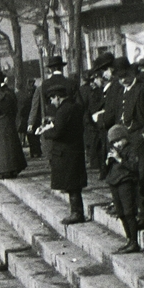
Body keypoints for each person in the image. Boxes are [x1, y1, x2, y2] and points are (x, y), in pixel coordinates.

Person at [40, 73, 88, 223]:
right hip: (74, 149)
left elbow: (57, 132)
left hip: (67, 152)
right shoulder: (75, 107)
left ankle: (77, 213)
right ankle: (76, 212)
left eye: (52, 99)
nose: (51, 102)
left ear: (58, 97)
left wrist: (45, 132)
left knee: (71, 184)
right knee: (73, 184)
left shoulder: (63, 110)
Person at [120, 59, 144, 230]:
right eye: (119, 77)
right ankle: (134, 213)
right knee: (130, 179)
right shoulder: (122, 91)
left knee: (143, 177)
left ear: (132, 72)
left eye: (125, 76)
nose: (123, 80)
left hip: (140, 140)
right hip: (126, 140)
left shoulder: (142, 88)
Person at [103, 125, 144, 253]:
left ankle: (134, 241)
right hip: (114, 182)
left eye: (119, 140)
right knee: (120, 213)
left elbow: (134, 166)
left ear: (125, 137)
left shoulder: (131, 149)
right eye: (114, 142)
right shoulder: (114, 150)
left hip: (126, 182)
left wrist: (119, 159)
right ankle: (129, 239)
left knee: (129, 212)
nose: (117, 144)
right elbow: (107, 169)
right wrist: (108, 161)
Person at [0, 70, 26, 177]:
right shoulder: (10, 93)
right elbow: (15, 108)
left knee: (0, 150)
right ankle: (14, 169)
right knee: (11, 148)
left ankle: (3, 171)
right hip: (10, 123)